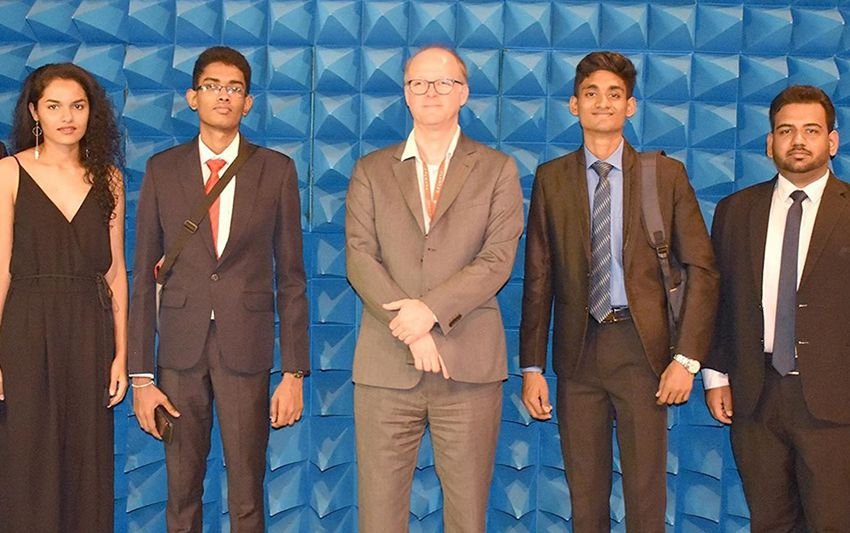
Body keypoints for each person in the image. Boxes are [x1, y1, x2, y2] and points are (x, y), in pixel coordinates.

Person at [519, 51, 719, 532]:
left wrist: (687, 359)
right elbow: (539, 276)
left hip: (643, 353)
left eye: (614, 94)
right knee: (585, 496)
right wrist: (532, 367)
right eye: (591, 93)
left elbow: (703, 270)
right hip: (578, 353)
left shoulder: (664, 175)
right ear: (574, 105)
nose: (602, 103)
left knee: (645, 496)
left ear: (630, 106)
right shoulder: (551, 178)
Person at [128, 46, 309, 531]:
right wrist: (141, 377)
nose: (223, 96)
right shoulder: (162, 169)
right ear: (193, 97)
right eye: (212, 86)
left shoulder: (276, 170)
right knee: (181, 492)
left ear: (248, 103)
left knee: (247, 493)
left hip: (246, 350)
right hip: (179, 352)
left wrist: (293, 372)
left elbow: (292, 278)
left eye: (234, 88)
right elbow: (143, 277)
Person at [345, 45, 524, 532]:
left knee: (467, 517)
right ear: (406, 94)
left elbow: (497, 259)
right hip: (386, 368)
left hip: (468, 370)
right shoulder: (371, 169)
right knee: (379, 518)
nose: (431, 92)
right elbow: (359, 258)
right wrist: (411, 329)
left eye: (444, 82)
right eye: (419, 83)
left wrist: (429, 312)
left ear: (463, 93)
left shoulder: (497, 169)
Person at [703, 85, 850, 531]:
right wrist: (716, 375)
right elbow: (717, 299)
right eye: (786, 131)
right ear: (770, 143)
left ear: (832, 141)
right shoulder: (734, 210)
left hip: (836, 402)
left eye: (811, 130)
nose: (798, 140)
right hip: (755, 395)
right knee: (769, 523)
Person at [0, 63, 128, 532]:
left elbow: (115, 273)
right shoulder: (8, 173)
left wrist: (121, 354)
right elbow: (0, 270)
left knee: (85, 460)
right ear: (35, 112)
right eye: (54, 106)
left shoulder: (110, 179)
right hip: (26, 327)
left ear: (92, 112)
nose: (67, 117)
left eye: (77, 106)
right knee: (26, 456)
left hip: (89, 330)